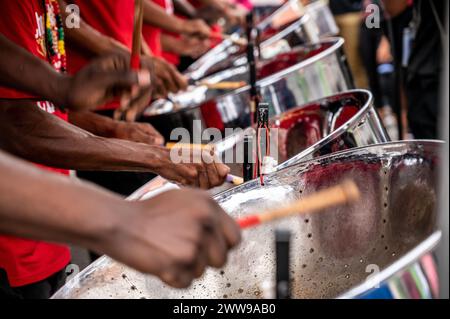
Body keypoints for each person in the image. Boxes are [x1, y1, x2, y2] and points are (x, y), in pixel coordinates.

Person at [0, 0, 229, 298]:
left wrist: (103, 122)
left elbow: (43, 105)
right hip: (16, 241)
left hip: (49, 229)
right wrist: (152, 170)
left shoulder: (51, 6)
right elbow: (13, 121)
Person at [0, 150, 240, 298]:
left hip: (50, 238)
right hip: (12, 258)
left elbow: (31, 119)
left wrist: (158, 156)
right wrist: (127, 220)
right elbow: (17, 123)